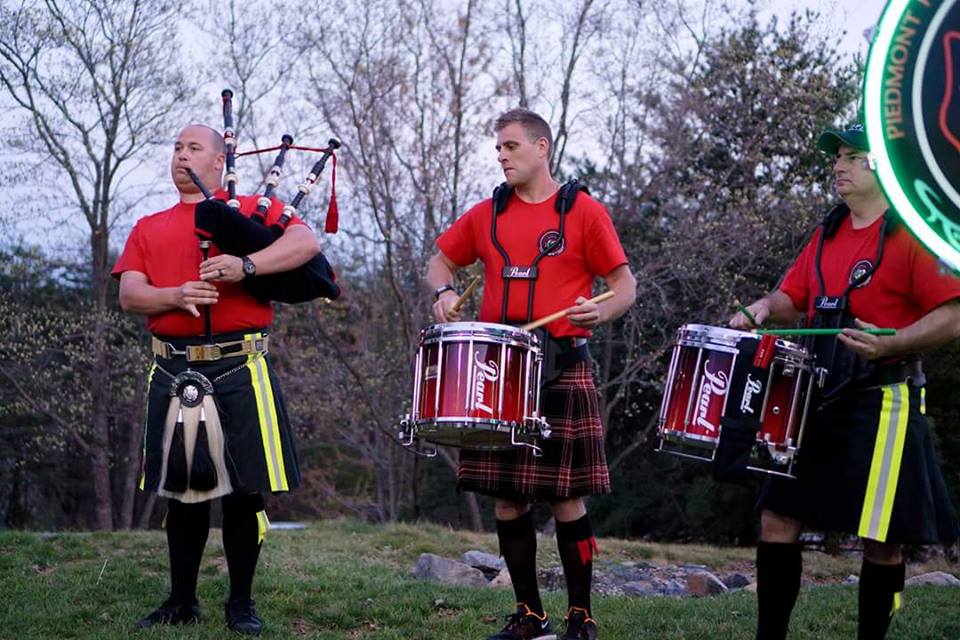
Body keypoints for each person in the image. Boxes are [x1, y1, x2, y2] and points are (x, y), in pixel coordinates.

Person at [730, 123, 960, 640]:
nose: (839, 166)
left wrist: (893, 343)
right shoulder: (827, 232)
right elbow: (795, 298)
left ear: (887, 168)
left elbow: (953, 313)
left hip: (883, 403)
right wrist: (765, 306)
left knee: (882, 540)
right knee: (776, 519)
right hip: (813, 399)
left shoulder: (911, 232)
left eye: (854, 157)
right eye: (837, 157)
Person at [426, 108, 637, 640]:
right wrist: (444, 292)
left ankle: (581, 617)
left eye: (512, 147)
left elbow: (623, 284)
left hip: (562, 362)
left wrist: (601, 311)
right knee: (506, 497)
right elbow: (439, 262)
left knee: (567, 497)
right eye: (498, 148)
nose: (502, 156)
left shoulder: (583, 212)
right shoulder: (486, 214)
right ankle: (530, 616)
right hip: (500, 371)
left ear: (542, 148)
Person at [113, 124, 319, 636]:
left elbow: (305, 243)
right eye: (176, 148)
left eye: (193, 148)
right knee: (183, 494)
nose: (181, 155)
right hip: (174, 367)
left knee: (245, 492)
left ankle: (241, 604)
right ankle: (181, 600)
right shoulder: (149, 226)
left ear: (220, 160)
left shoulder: (251, 210)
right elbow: (131, 295)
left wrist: (248, 264)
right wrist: (176, 294)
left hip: (239, 366)